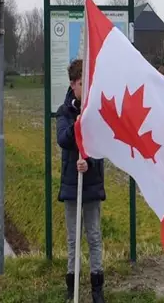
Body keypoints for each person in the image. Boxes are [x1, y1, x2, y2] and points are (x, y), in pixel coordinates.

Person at [57, 59, 106, 302]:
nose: (84, 89)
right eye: (80, 84)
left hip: (92, 183)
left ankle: (97, 288)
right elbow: (63, 140)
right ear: (72, 85)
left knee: (94, 237)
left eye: (87, 83)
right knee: (73, 240)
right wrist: (76, 127)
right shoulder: (64, 111)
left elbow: (100, 147)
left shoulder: (95, 113)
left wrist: (90, 164)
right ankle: (72, 288)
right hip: (71, 185)